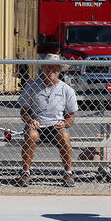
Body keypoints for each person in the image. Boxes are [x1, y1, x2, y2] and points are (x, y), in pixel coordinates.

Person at [17, 54, 78, 186]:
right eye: (48, 67)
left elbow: (71, 117)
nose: (51, 71)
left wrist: (65, 123)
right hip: (37, 125)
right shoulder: (32, 86)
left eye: (55, 68)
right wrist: (29, 120)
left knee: (64, 136)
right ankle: (25, 172)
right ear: (43, 68)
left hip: (56, 126)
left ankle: (68, 173)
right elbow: (24, 111)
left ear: (60, 70)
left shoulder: (67, 90)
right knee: (31, 135)